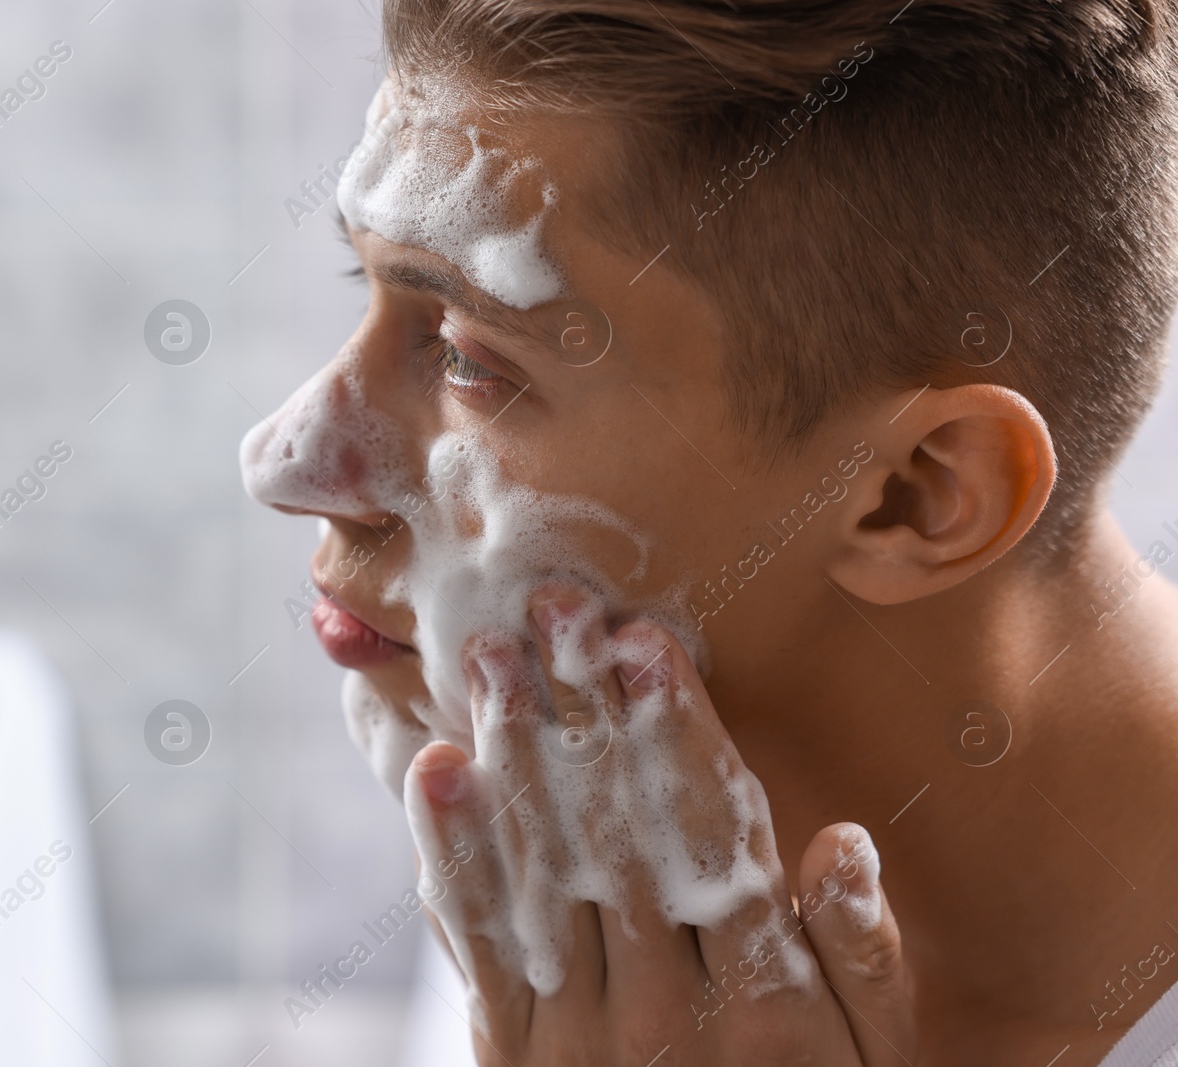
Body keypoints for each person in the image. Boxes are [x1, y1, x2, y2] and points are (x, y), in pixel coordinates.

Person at [240, 1, 1178, 1062]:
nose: (284, 460)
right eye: (359, 284)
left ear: (911, 495)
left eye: (466, 354)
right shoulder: (568, 848)